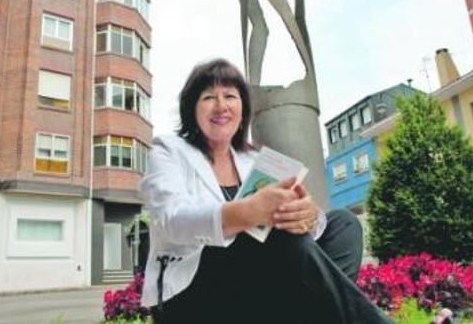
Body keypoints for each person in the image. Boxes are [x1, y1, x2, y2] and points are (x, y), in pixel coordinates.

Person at [139, 59, 393, 324]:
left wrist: (306, 215)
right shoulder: (169, 150)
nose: (221, 105)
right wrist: (245, 213)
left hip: (252, 289)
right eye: (208, 97)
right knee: (277, 234)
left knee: (344, 224)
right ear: (192, 109)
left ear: (242, 110)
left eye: (230, 96)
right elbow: (170, 219)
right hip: (191, 292)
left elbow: (303, 230)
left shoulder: (253, 160)